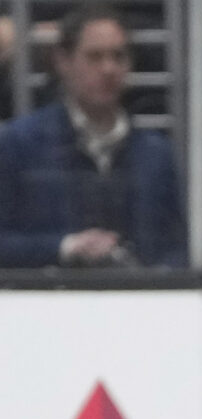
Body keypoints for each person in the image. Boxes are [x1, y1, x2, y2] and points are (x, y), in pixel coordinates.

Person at [0, 2, 181, 269]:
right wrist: (64, 247)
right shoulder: (20, 144)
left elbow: (178, 247)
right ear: (63, 61)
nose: (108, 69)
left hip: (141, 304)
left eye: (118, 56)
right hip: (49, 303)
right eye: (95, 57)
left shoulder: (156, 154)